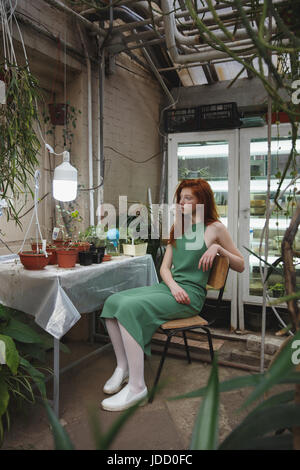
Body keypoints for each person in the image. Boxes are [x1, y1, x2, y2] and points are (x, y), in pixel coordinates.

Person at [100, 179, 244, 411]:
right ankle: (123, 367)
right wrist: (174, 286)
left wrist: (218, 248)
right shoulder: (180, 226)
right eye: (180, 197)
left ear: (202, 201)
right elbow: (165, 268)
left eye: (188, 198)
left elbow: (240, 265)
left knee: (128, 309)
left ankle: (137, 387)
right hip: (170, 289)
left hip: (191, 297)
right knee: (112, 301)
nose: (181, 202)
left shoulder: (215, 228)